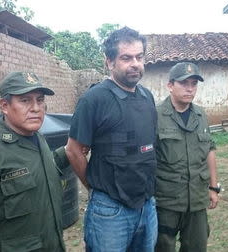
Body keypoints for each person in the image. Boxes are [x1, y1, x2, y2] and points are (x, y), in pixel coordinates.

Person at [65, 27, 158, 251]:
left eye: (139, 57)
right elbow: (73, 150)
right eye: (126, 58)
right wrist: (95, 188)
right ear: (109, 61)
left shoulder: (147, 97)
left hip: (147, 206)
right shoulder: (94, 99)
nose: (135, 63)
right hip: (110, 211)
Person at [0, 72, 68, 251]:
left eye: (40, 100)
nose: (36, 108)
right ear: (5, 106)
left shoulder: (38, 138)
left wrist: (68, 152)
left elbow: (40, 170)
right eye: (25, 101)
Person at [155, 62, 219, 252]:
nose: (190, 89)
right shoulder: (155, 115)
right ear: (170, 85)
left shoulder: (201, 115)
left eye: (194, 83)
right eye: (184, 83)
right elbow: (146, 157)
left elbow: (210, 149)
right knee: (162, 247)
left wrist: (213, 187)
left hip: (197, 197)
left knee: (197, 247)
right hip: (167, 199)